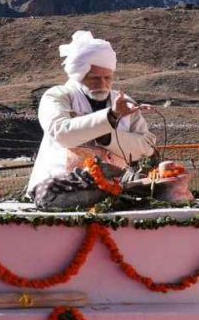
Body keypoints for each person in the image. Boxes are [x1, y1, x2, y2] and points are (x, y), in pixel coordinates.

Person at [26, 30, 155, 196]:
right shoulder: (57, 96)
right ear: (79, 76)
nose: (102, 84)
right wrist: (111, 117)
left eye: (107, 78)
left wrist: (107, 138)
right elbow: (61, 134)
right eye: (94, 78)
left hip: (115, 190)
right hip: (57, 189)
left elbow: (147, 145)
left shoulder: (123, 102)